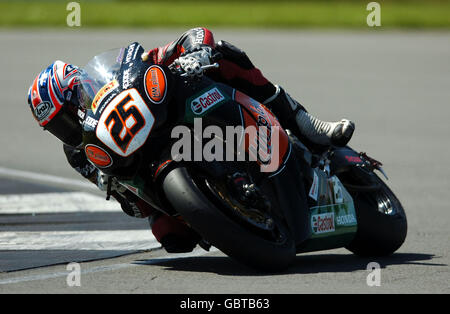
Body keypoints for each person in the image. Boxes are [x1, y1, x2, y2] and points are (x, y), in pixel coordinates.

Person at [27, 27, 354, 253]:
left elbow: (191, 38)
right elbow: (127, 199)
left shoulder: (122, 76)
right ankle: (232, 210)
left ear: (77, 92)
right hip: (156, 176)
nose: (67, 128)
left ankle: (303, 123)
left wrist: (192, 54)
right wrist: (119, 191)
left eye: (66, 115)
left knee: (225, 55)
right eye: (57, 126)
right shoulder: (79, 152)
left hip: (193, 115)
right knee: (172, 239)